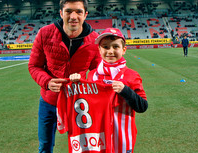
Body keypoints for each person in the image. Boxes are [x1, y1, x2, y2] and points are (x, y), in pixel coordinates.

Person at [28, 0, 101, 152]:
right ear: (61, 13)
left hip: (78, 102)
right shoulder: (45, 33)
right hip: (49, 101)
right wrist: (47, 82)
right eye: (68, 11)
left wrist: (83, 80)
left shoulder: (95, 40)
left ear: (85, 14)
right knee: (45, 146)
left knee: (80, 146)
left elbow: (97, 71)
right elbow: (34, 66)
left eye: (78, 12)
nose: (73, 16)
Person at [69, 28, 148, 153]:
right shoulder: (92, 75)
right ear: (99, 50)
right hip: (97, 136)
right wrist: (77, 83)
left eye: (115, 47)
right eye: (105, 47)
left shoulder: (132, 76)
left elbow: (142, 106)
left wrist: (125, 90)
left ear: (124, 50)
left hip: (122, 137)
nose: (110, 51)